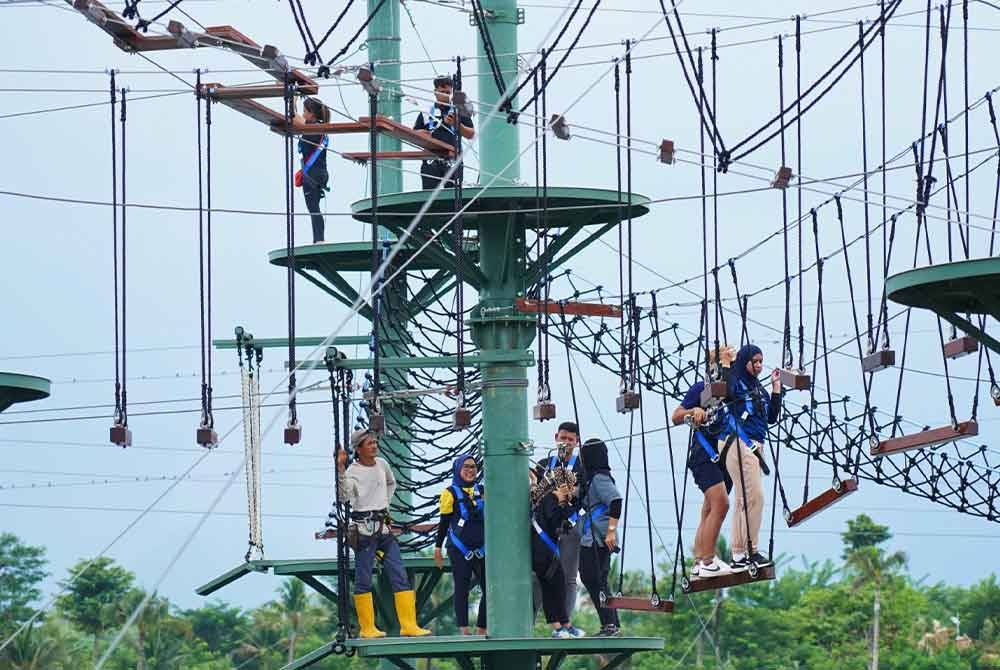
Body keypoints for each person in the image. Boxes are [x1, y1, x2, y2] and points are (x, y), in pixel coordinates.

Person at [337, 429, 430, 638]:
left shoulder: (382, 464)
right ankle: (367, 628)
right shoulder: (353, 471)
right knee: (364, 579)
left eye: (374, 442)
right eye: (369, 443)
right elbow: (344, 496)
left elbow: (391, 483)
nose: (374, 446)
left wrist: (383, 503)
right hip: (364, 532)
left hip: (384, 530)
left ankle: (409, 625)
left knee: (399, 574)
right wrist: (340, 469)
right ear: (358, 449)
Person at [671, 345, 736, 580]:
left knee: (710, 509)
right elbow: (676, 416)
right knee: (721, 504)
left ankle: (700, 561)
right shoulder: (702, 389)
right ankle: (708, 559)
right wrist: (694, 411)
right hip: (704, 455)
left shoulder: (734, 391)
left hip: (725, 456)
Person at [725, 344, 782, 571]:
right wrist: (727, 364)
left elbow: (771, 417)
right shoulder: (735, 381)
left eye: (761, 362)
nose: (758, 366)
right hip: (740, 441)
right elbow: (725, 392)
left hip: (756, 444)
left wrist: (776, 388)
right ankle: (751, 550)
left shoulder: (758, 388)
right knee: (755, 497)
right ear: (744, 362)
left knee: (743, 500)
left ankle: (739, 554)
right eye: (754, 362)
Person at [532, 421, 583, 622]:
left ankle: (564, 623)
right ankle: (529, 620)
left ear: (577, 442)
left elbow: (582, 491)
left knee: (569, 577)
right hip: (543, 526)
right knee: (538, 574)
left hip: (570, 524)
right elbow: (534, 489)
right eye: (563, 438)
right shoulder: (544, 463)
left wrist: (568, 492)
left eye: (570, 439)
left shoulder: (581, 466)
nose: (566, 442)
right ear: (556, 438)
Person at [529, 469, 585, 638]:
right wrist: (563, 505)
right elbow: (555, 522)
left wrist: (568, 505)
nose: (572, 490)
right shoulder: (549, 500)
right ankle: (560, 626)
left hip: (546, 551)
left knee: (553, 587)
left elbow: (566, 518)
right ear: (561, 485)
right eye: (570, 486)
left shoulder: (553, 501)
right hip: (542, 552)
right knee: (555, 588)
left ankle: (562, 625)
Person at [433, 454, 486, 635]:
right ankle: (463, 629)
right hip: (459, 549)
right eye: (466, 467)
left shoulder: (482, 490)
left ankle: (482, 627)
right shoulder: (450, 493)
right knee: (462, 588)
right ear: (458, 470)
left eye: (473, 467)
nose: (470, 470)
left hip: (482, 549)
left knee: (489, 587)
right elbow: (444, 523)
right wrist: (438, 548)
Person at [576, 438, 623, 637]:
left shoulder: (599, 478)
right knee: (596, 579)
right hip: (592, 536)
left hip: (600, 538)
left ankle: (610, 624)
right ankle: (611, 624)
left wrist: (611, 531)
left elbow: (616, 501)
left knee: (593, 578)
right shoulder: (591, 479)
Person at [413, 74, 474, 190]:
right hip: (430, 161)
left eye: (448, 92)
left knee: (452, 194)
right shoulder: (426, 112)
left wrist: (457, 125)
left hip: (453, 160)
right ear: (435, 92)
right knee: (429, 194)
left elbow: (471, 134)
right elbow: (414, 134)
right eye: (442, 92)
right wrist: (424, 134)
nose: (445, 95)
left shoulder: (459, 110)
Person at [293, 96, 330, 243]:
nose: (303, 114)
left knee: (313, 209)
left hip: (312, 174)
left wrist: (292, 101)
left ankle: (319, 240)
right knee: (315, 208)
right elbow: (296, 119)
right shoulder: (320, 128)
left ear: (312, 114)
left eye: (305, 111)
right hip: (320, 173)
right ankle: (319, 239)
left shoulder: (313, 127)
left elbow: (294, 118)